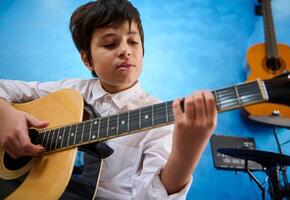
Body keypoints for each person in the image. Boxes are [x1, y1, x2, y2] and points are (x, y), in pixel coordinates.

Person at [0, 0, 217, 199]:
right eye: (111, 44)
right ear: (87, 59)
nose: (125, 51)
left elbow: (151, 196)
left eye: (133, 42)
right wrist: (5, 114)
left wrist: (187, 151)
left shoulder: (158, 119)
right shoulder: (68, 92)